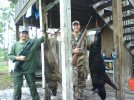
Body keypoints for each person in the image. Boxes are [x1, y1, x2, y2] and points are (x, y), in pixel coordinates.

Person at [8, 30, 45, 100]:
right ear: (19, 35)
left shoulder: (33, 43)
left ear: (27, 35)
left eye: (25, 34)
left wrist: (44, 33)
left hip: (29, 69)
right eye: (22, 33)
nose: (24, 35)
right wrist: (18, 58)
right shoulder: (15, 45)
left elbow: (42, 39)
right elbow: (10, 56)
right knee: (17, 88)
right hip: (18, 69)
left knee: (33, 87)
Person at [87, 24, 117, 100]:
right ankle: (99, 32)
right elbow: (107, 79)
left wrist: (114, 86)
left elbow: (107, 80)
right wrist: (113, 86)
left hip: (95, 61)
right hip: (94, 64)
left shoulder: (92, 45)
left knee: (97, 44)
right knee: (97, 44)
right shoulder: (95, 82)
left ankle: (99, 32)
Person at [71, 20, 88, 100]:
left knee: (82, 80)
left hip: (83, 62)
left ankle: (80, 95)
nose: (76, 26)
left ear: (79, 26)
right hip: (74, 63)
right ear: (72, 27)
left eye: (77, 25)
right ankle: (76, 96)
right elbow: (65, 48)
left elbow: (90, 45)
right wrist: (73, 51)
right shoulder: (69, 36)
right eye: (74, 25)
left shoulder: (84, 36)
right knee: (74, 81)